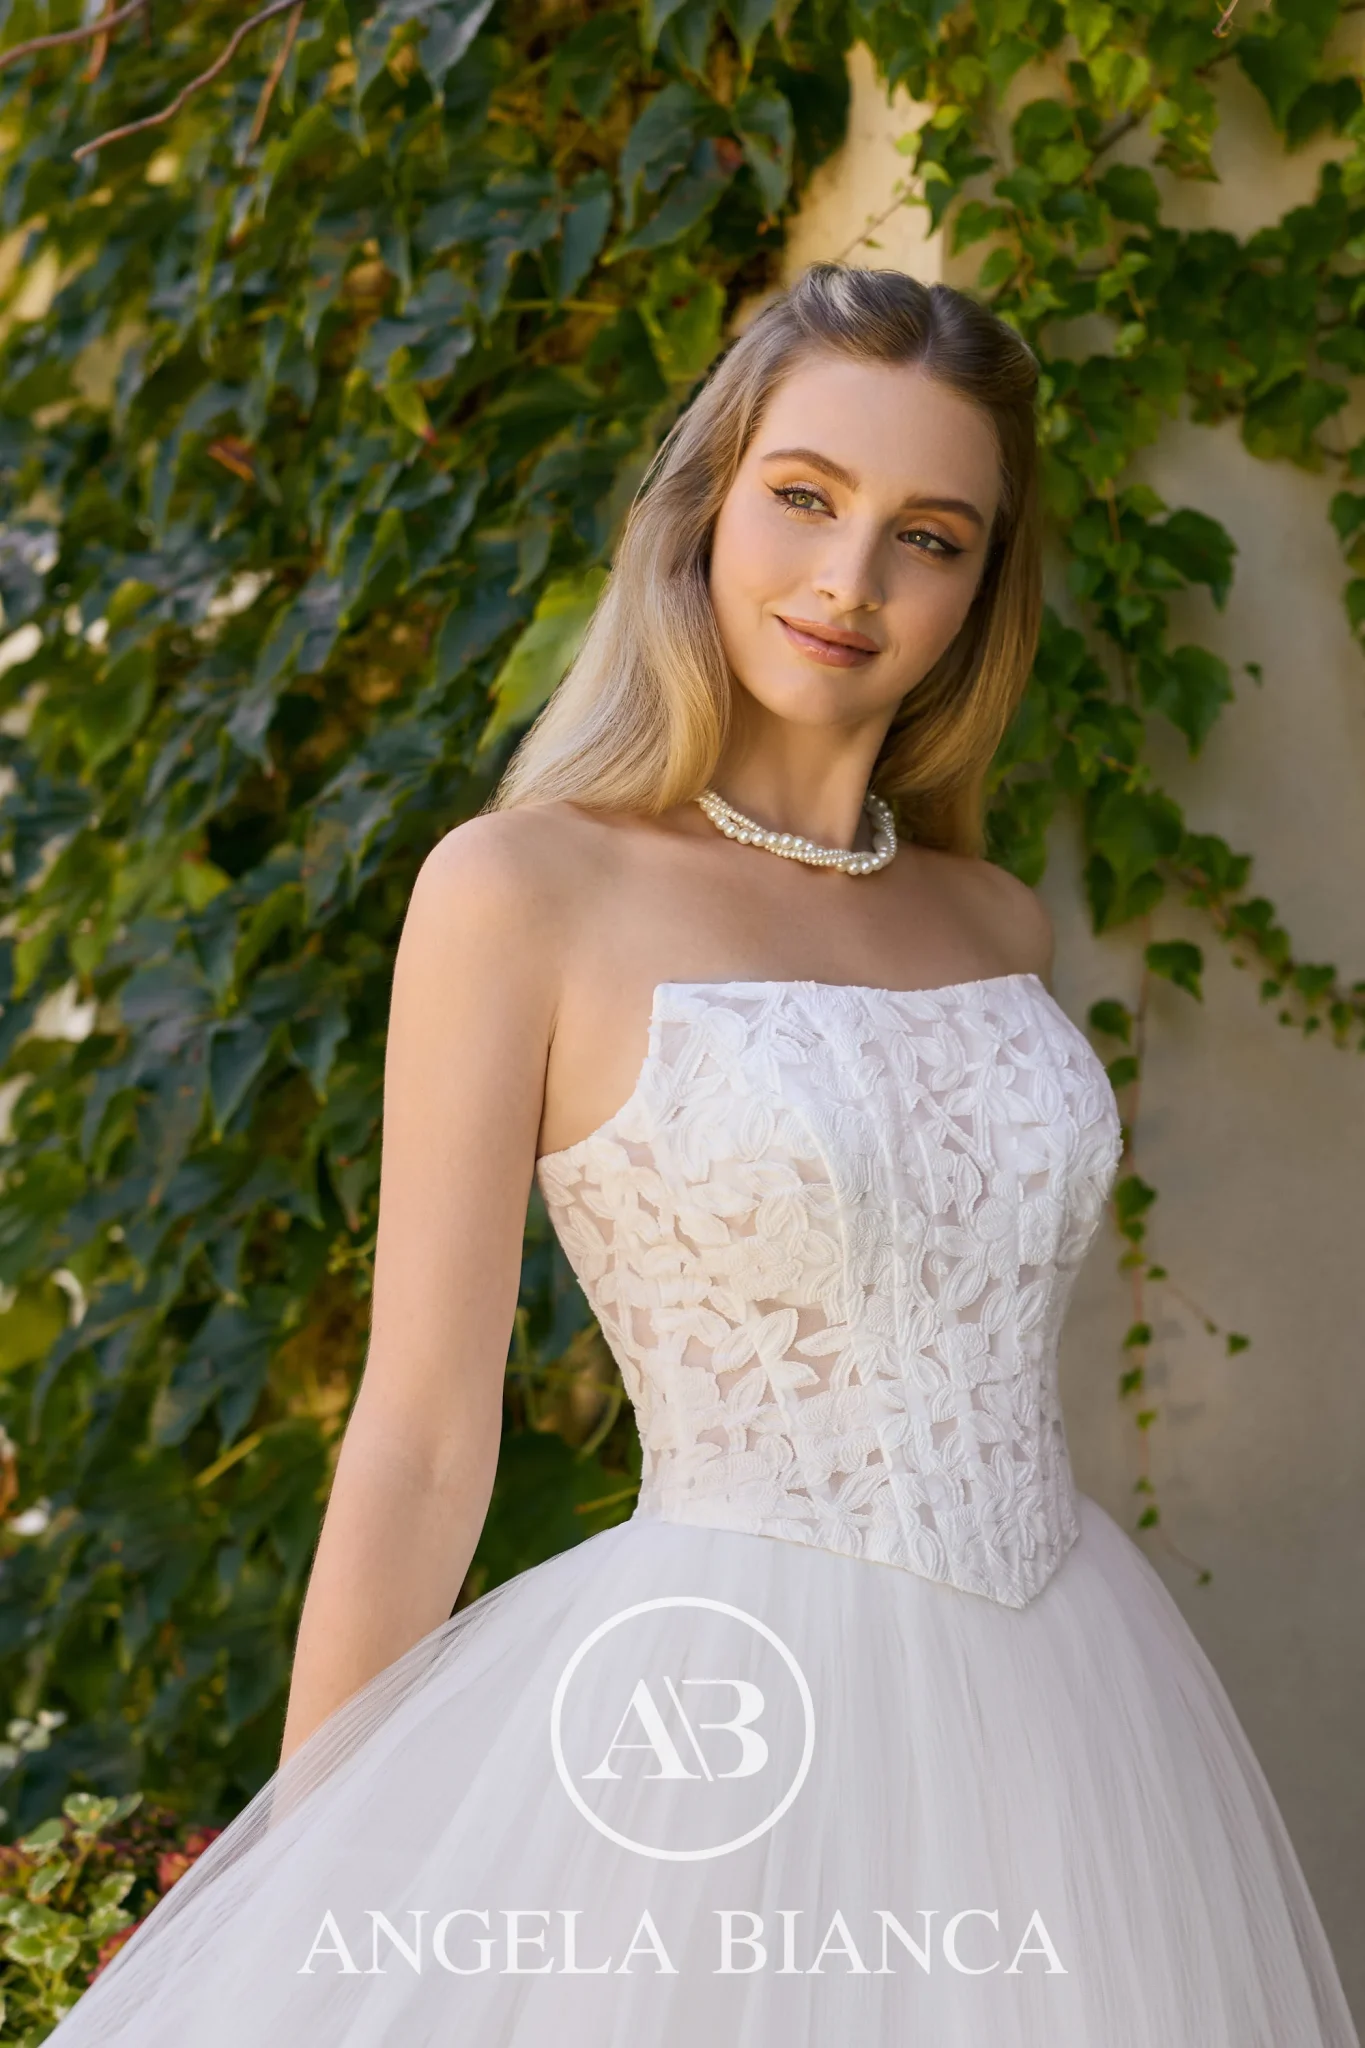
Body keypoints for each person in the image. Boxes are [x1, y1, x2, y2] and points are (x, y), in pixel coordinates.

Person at [47, 264, 1358, 2046]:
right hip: (718, 1717)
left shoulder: (993, 918)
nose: (851, 580)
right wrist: (313, 1879)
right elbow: (427, 1433)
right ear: (706, 506)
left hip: (1068, 1706)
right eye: (804, 498)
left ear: (983, 586)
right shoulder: (524, 888)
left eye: (931, 535)